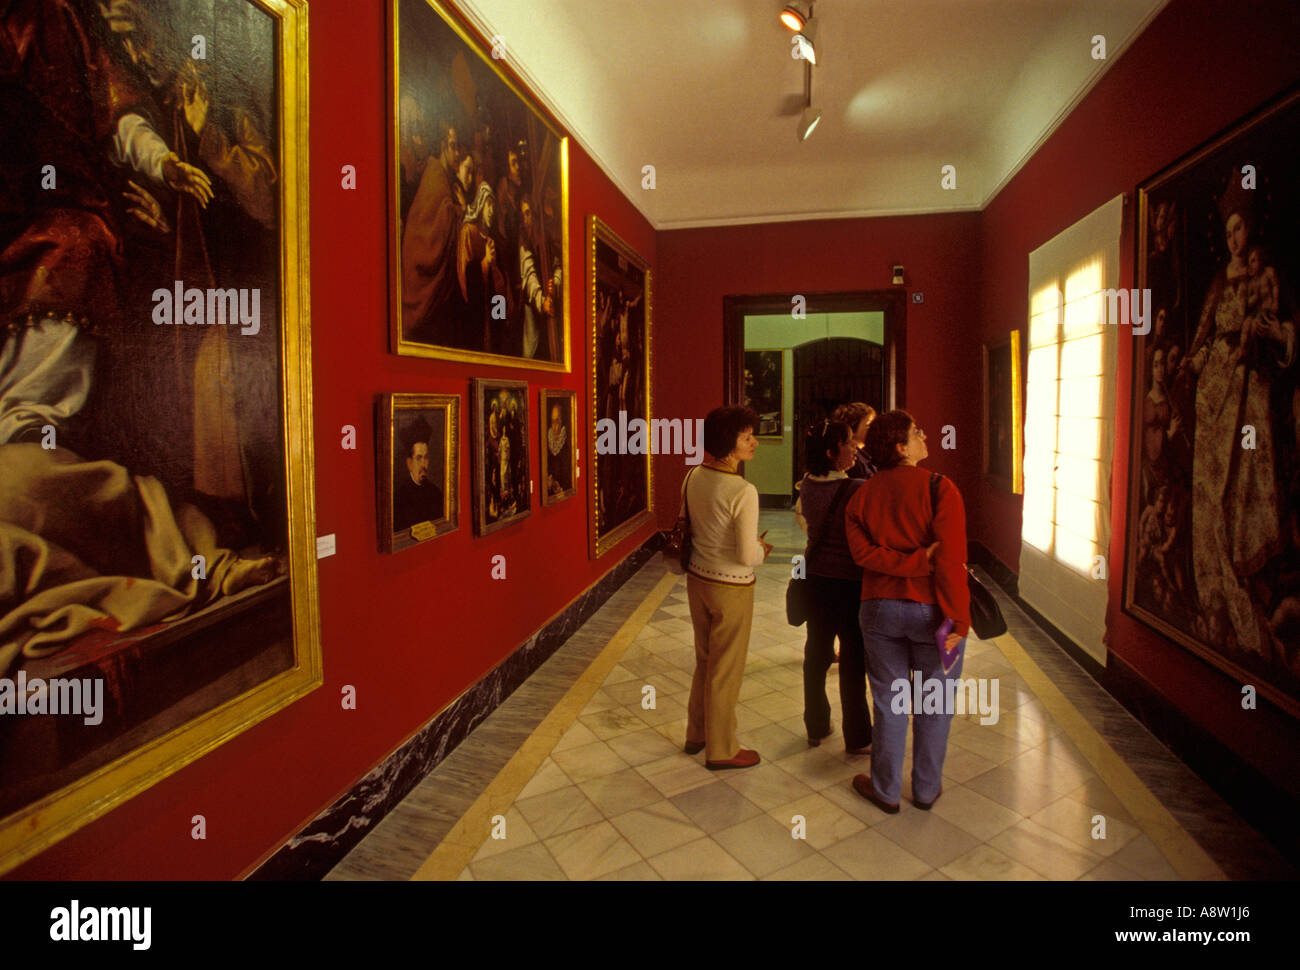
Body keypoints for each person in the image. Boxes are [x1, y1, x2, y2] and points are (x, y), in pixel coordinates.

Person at [1178, 182, 1295, 659]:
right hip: (1214, 399)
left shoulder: (1263, 274)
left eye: (1238, 227)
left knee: (1236, 491)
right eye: (1227, 230)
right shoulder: (1218, 283)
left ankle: (1248, 593)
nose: (1232, 237)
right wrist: (1195, 360)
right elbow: (1205, 336)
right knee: (1210, 492)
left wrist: (1261, 332)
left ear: (1249, 228)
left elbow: (1285, 331)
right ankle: (1216, 595)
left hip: (1247, 396)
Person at [843, 410, 970, 813]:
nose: (925, 436)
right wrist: (959, 619)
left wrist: (907, 563)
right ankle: (927, 789)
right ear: (901, 446)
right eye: (918, 432)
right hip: (933, 609)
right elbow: (949, 562)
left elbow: (862, 555)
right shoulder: (940, 488)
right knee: (934, 701)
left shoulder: (861, 495)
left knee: (890, 700)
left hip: (878, 609)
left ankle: (884, 789)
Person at [682, 406, 772, 770]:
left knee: (705, 661)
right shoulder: (743, 490)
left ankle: (697, 733)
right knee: (726, 670)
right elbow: (746, 554)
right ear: (728, 443)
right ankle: (721, 749)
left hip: (697, 579)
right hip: (731, 586)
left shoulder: (693, 476)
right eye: (746, 436)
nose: (754, 442)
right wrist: (764, 550)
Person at [793, 420, 872, 753]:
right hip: (849, 585)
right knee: (853, 662)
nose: (855, 447)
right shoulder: (855, 488)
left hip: (817, 581)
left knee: (816, 654)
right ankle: (858, 736)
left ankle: (816, 723)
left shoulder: (807, 485)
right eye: (848, 443)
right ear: (830, 452)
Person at [394, 435, 444, 533]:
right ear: (409, 463)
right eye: (418, 458)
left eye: (425, 458)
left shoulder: (435, 492)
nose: (423, 464)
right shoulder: (399, 496)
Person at [832, 402, 877, 479]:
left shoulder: (865, 455)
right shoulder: (853, 460)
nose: (874, 429)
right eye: (869, 425)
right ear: (852, 428)